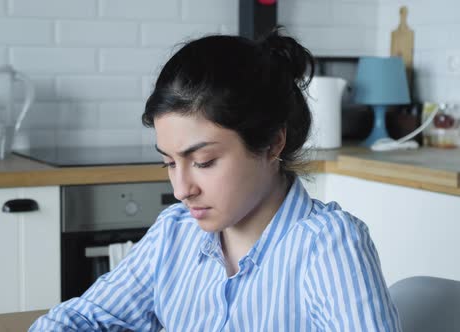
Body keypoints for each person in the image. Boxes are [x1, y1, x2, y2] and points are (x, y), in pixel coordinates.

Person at [30, 28, 401, 331]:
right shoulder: (173, 234)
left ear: (273, 143)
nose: (181, 190)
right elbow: (79, 319)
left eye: (204, 161)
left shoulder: (328, 246)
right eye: (169, 163)